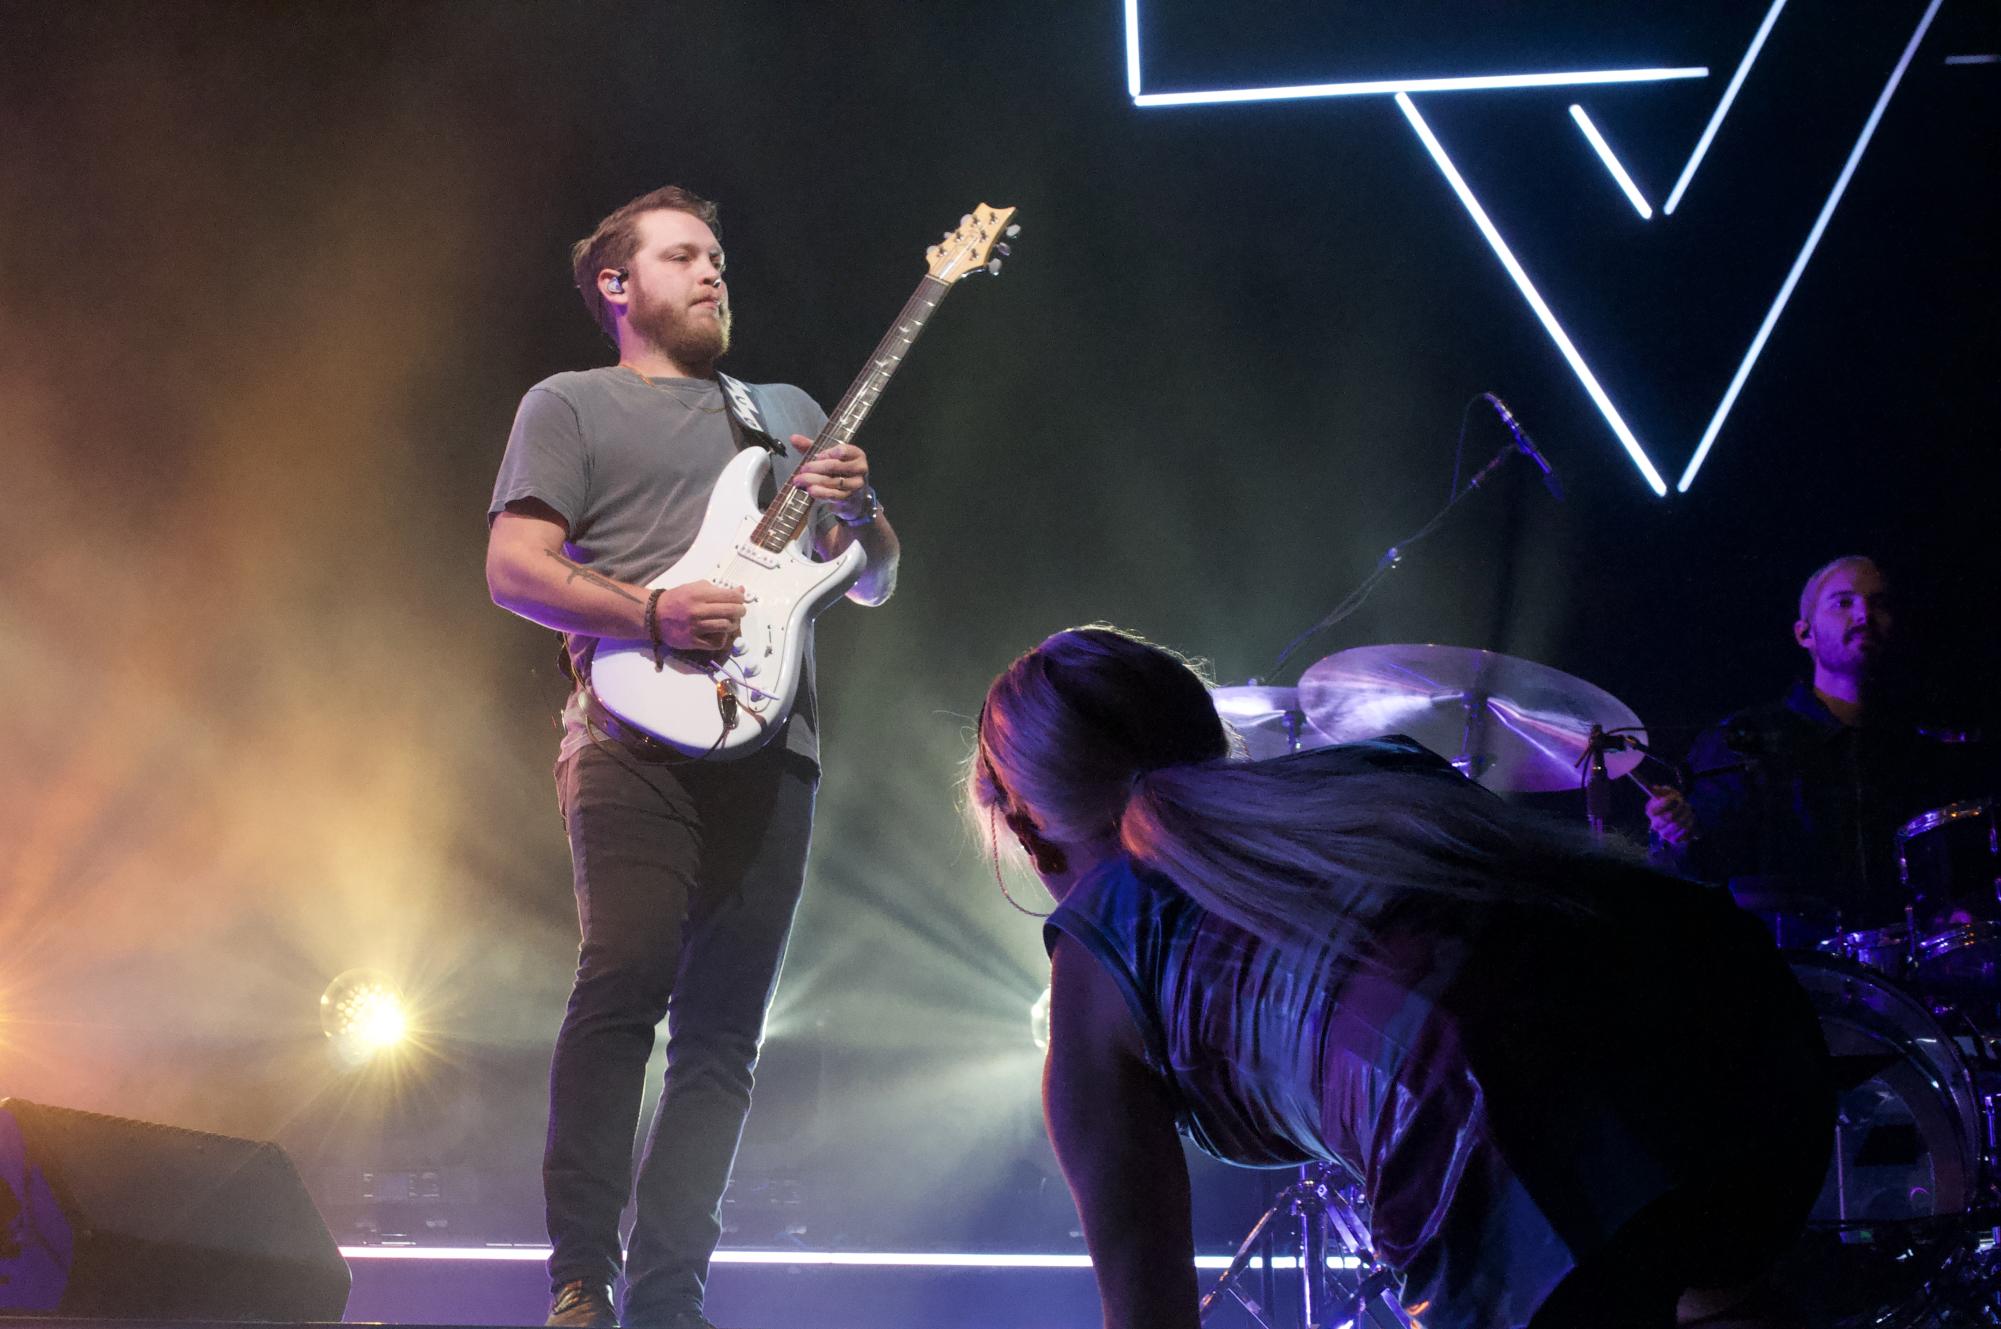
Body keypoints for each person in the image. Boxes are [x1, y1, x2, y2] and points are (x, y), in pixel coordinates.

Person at [970, 625, 1832, 1329]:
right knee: (1707, 1284)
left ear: (1031, 832)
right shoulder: (1374, 772)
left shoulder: (1093, 965)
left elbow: (1148, 1318)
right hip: (1737, 1010)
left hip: (1507, 1130)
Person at [486, 185, 900, 1329]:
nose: (714, 271)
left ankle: (672, 1300)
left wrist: (860, 518)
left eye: (719, 256)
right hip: (628, 734)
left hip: (779, 746)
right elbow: (515, 570)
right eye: (683, 255)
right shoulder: (568, 404)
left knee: (724, 1037)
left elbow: (869, 581)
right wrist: (653, 615)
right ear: (618, 285)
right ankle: (581, 1281)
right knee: (622, 982)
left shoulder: (783, 412)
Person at [1646, 556, 1977, 934]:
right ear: (1805, 634)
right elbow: (1698, 873)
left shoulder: (1919, 748)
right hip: (1785, 971)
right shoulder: (1744, 739)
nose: (1865, 614)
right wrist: (1678, 833)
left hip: (1900, 979)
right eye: (1843, 602)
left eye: (1879, 603)